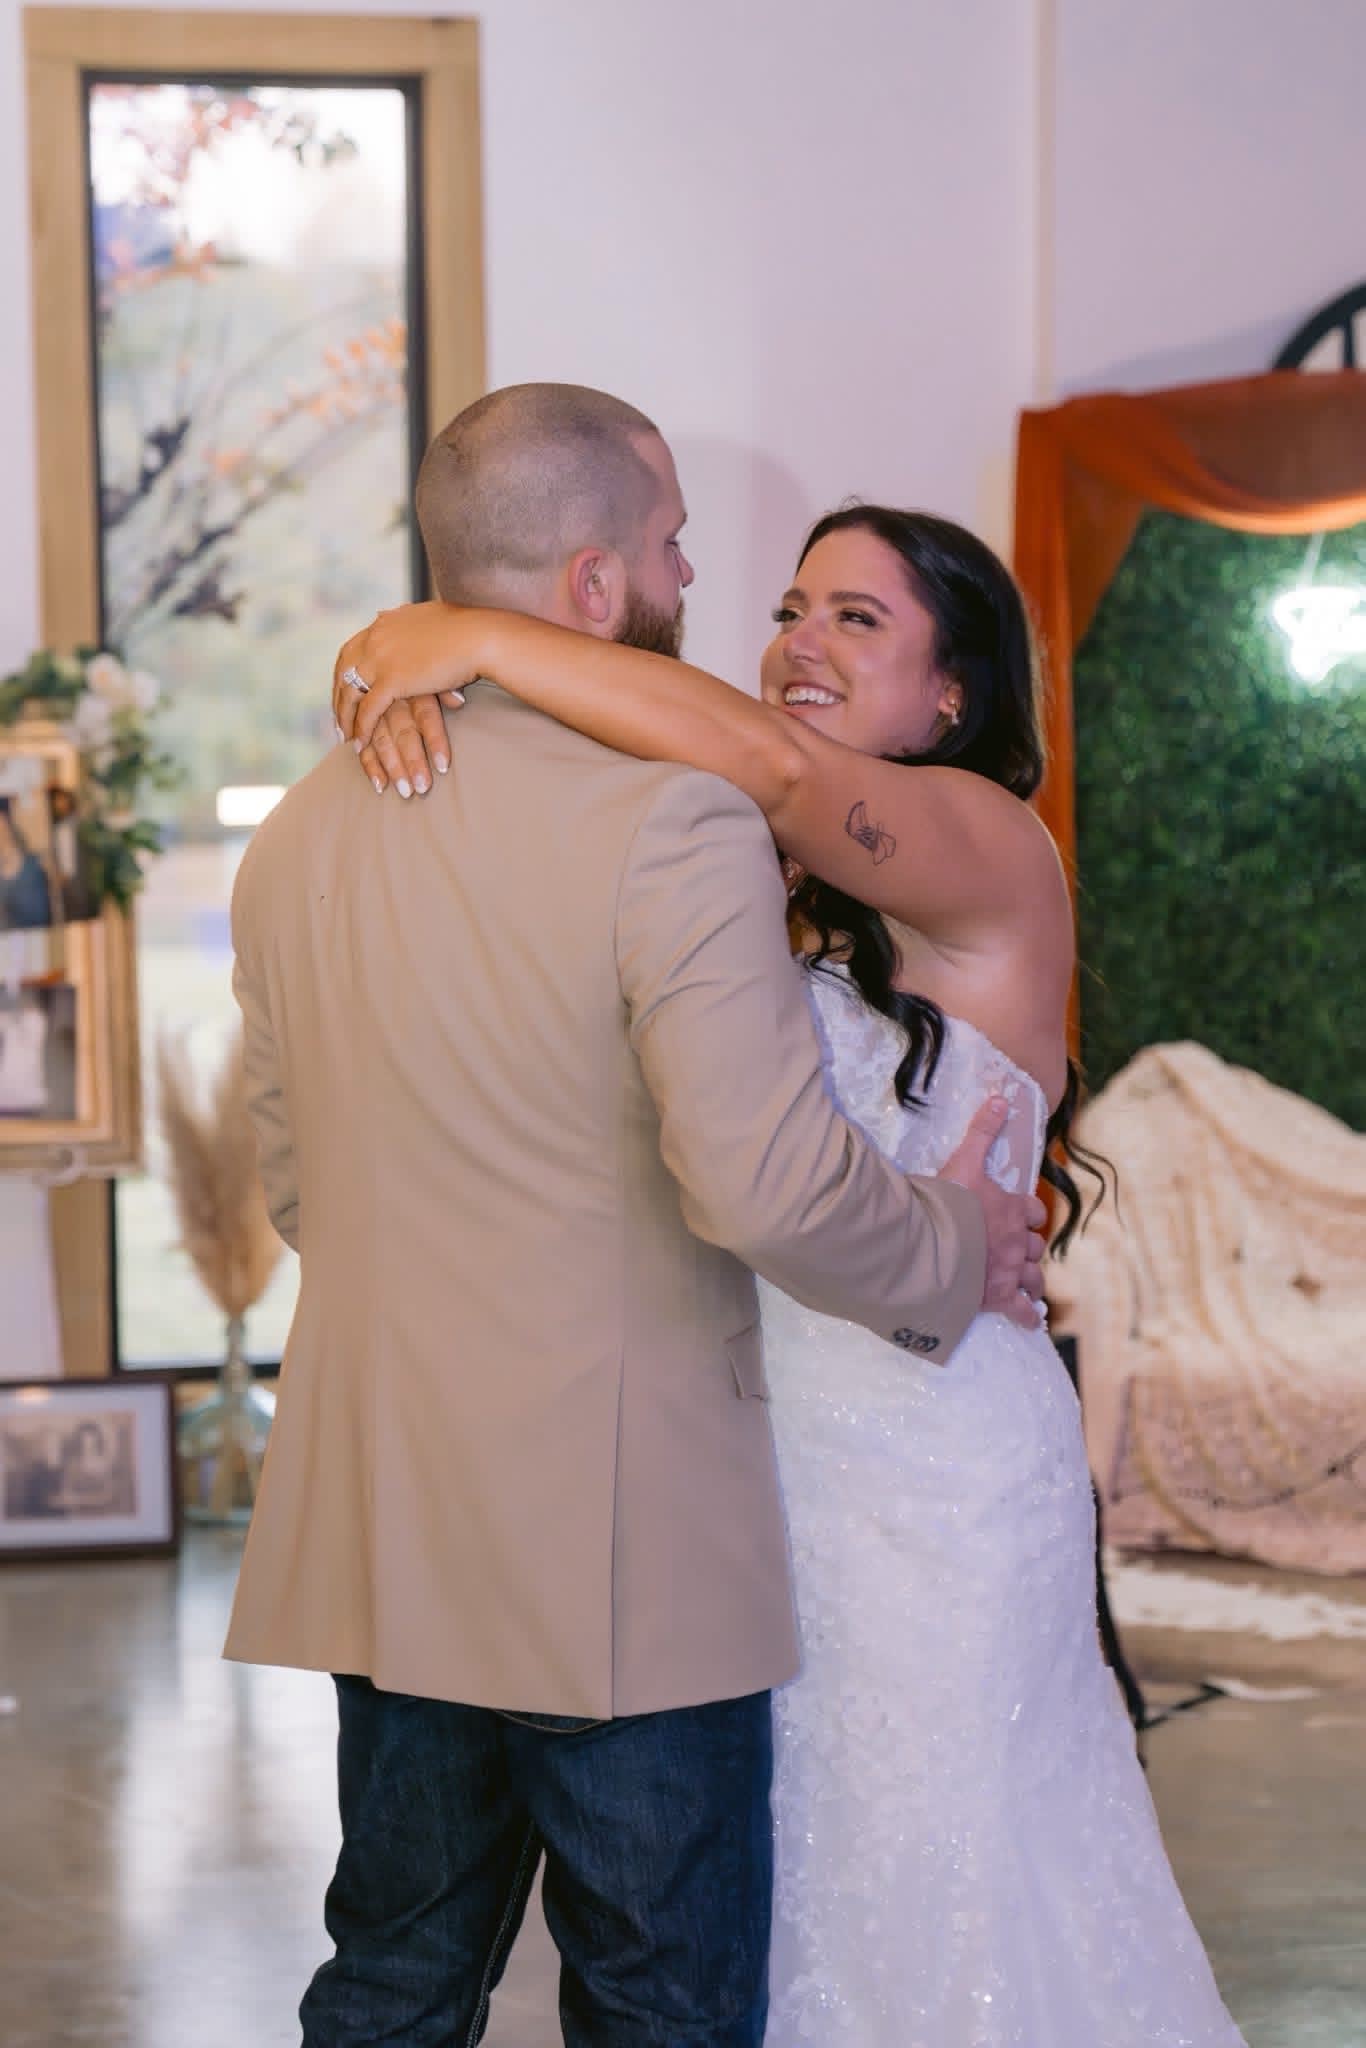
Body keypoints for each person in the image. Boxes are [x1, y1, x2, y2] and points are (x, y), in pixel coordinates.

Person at [334, 498, 1248, 2044]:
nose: (796, 642)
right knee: (781, 1889)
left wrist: (468, 633)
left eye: (855, 619)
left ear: (949, 695)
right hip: (753, 1475)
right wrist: (413, 684)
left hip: (937, 1469)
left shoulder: (979, 839)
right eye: (789, 608)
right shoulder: (751, 865)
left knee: (949, 1874)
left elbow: (766, 762)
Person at [226, 383, 1046, 2048]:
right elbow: (757, 1181)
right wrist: (959, 1244)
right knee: (659, 2001)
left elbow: (297, 1176)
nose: (700, 586)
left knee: (392, 1978)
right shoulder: (675, 820)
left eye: (851, 614)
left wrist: (451, 638)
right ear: (596, 583)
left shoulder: (302, 825)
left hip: (398, 1515)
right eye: (676, 547)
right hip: (630, 1527)